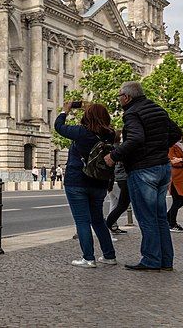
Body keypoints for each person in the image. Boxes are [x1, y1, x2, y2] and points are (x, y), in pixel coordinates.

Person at [105, 81, 181, 271]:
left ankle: (151, 260)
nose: (119, 100)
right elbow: (176, 133)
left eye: (120, 96)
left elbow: (136, 138)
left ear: (127, 97)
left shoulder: (132, 113)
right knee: (160, 217)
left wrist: (114, 156)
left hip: (143, 169)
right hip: (163, 167)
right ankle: (166, 261)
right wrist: (159, 147)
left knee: (147, 217)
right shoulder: (158, 109)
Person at [54, 101, 117, 268]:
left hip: (77, 181)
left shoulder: (81, 132)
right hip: (99, 182)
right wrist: (92, 107)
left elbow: (59, 126)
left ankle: (88, 258)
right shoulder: (110, 134)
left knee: (82, 220)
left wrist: (64, 111)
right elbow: (101, 117)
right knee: (98, 220)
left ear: (87, 116)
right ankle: (109, 255)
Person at [106, 158, 131, 235]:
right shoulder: (121, 148)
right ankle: (108, 224)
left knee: (115, 204)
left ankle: (112, 226)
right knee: (122, 205)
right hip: (121, 178)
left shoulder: (112, 148)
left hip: (112, 179)